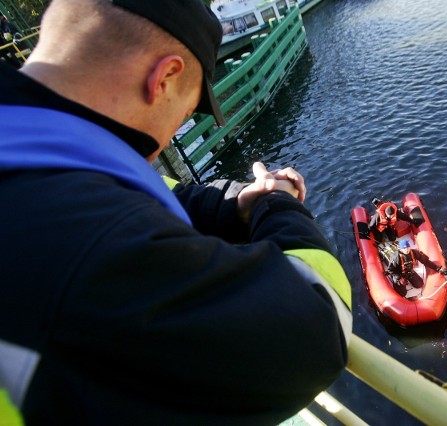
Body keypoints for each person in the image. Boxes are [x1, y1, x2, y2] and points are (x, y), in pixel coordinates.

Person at [0, 0, 352, 424]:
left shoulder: (28, 147)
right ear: (164, 78)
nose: (167, 141)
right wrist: (277, 202)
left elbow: (163, 193)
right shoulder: (86, 245)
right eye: (183, 115)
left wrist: (238, 203)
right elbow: (315, 328)